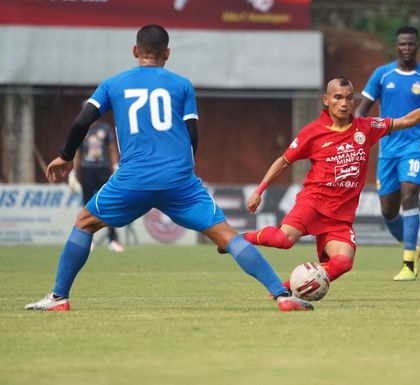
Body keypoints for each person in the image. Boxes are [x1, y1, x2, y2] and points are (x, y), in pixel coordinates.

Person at [25, 24, 312, 312]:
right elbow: (193, 134)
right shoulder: (181, 85)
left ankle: (59, 298)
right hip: (179, 181)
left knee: (84, 222)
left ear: (136, 51)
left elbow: (81, 123)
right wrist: (185, 172)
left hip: (133, 179)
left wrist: (66, 155)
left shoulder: (113, 84)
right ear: (168, 53)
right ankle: (281, 295)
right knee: (228, 236)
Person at [241, 76, 420, 291]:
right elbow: (283, 162)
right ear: (326, 100)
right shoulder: (312, 132)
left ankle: (287, 288)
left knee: (343, 263)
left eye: (349, 98)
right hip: (313, 203)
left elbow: (406, 121)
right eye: (338, 97)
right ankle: (241, 239)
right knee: (283, 240)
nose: (344, 103)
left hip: (340, 216)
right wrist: (259, 191)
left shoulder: (366, 128)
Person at [354, 26, 420, 281]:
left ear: (418, 46)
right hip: (387, 148)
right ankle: (412, 245)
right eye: (403, 44)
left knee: (410, 194)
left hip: (415, 146)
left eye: (411, 44)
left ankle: (409, 264)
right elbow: (360, 111)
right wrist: (354, 137)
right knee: (388, 210)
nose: (407, 48)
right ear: (396, 46)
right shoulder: (382, 74)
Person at [68, 113, 124, 252]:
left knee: (109, 203)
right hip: (87, 169)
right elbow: (78, 153)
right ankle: (87, 240)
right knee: (87, 204)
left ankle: (113, 239)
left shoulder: (104, 128)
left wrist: (116, 165)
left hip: (103, 168)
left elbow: (112, 149)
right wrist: (73, 173)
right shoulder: (83, 128)